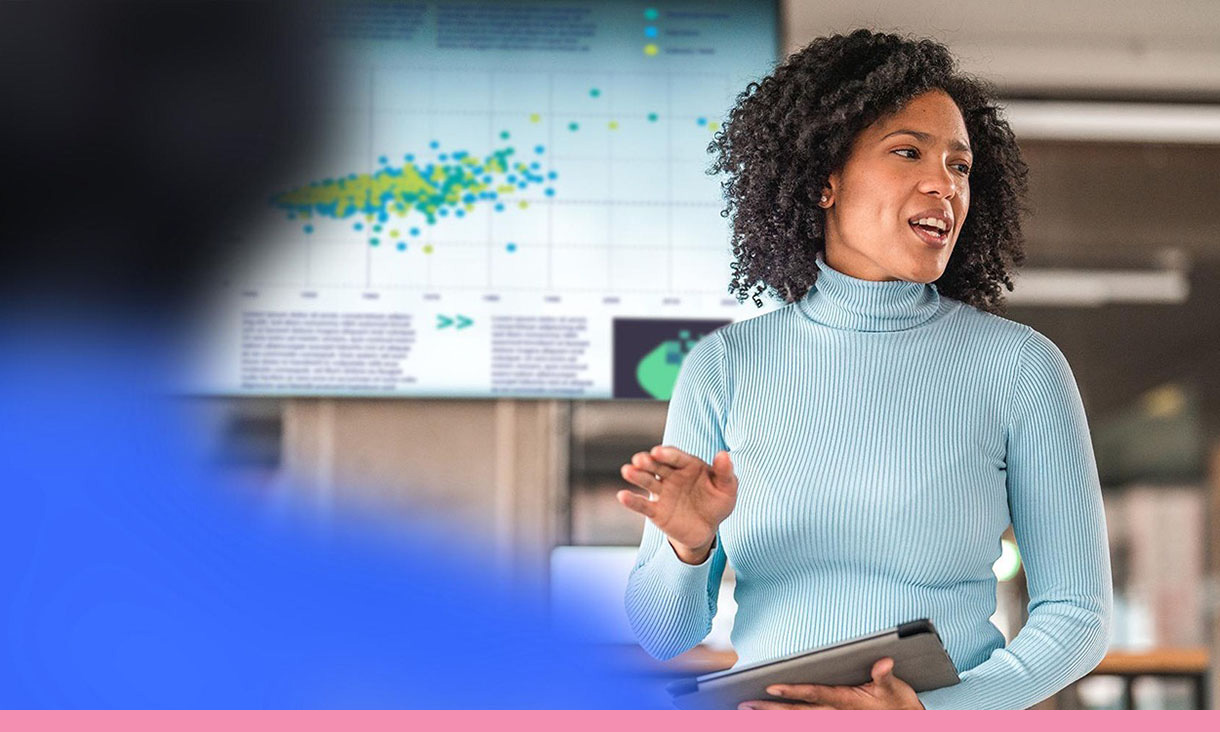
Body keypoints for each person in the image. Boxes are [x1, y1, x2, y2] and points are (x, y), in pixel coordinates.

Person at [616, 29, 1112, 711]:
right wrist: (689, 545)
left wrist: (930, 717)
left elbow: (1077, 616)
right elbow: (661, 633)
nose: (944, 183)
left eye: (960, 166)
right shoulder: (725, 367)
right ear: (825, 180)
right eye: (907, 152)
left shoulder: (1020, 367)